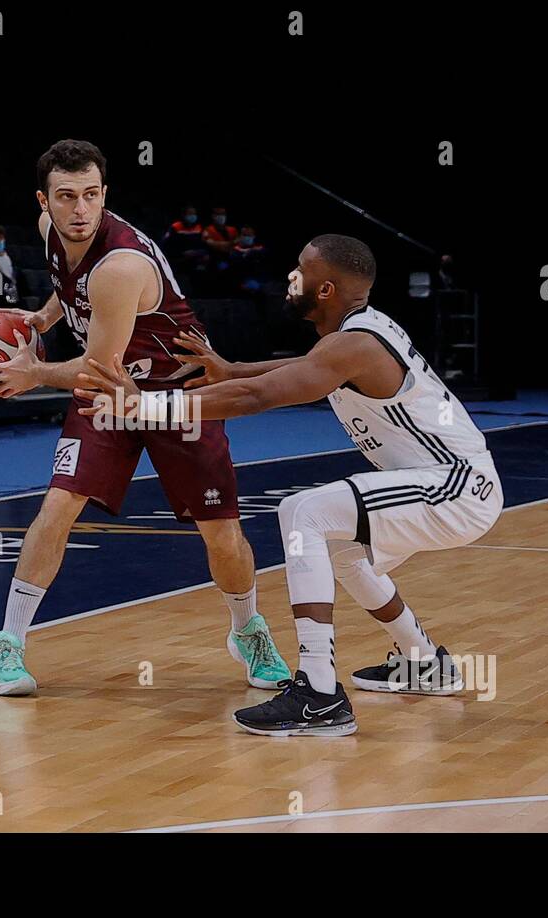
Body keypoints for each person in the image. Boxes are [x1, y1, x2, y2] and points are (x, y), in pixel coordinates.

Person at [75, 234, 503, 737]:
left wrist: (145, 406)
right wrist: (233, 369)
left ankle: (320, 695)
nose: (290, 276)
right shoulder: (351, 336)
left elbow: (259, 396)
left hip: (455, 485)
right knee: (342, 550)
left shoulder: (357, 344)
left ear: (325, 290)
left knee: (305, 513)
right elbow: (302, 369)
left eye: (301, 269)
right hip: (453, 483)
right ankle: (424, 661)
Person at [0, 139, 290, 696]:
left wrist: (33, 374)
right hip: (109, 396)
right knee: (58, 505)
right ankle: (8, 644)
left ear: (105, 196)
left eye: (91, 196)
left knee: (221, 533)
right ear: (43, 202)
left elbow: (97, 367)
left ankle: (249, 630)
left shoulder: (120, 266)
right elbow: (66, 288)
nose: (79, 209)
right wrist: (45, 317)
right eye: (66, 197)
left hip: (173, 393)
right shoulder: (53, 233)